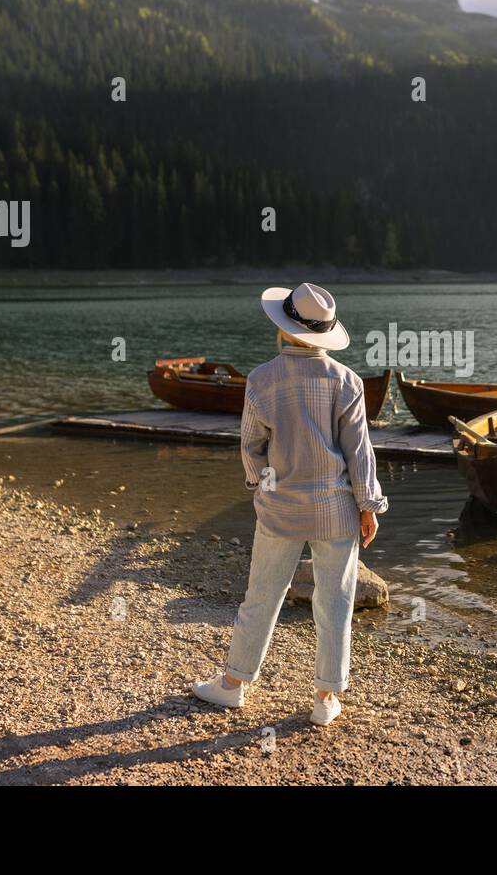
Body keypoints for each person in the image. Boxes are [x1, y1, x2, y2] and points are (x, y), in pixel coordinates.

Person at [192, 283, 387, 726]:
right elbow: (360, 453)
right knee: (335, 601)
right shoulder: (348, 381)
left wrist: (262, 485)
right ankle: (324, 698)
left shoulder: (261, 379)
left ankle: (233, 685)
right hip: (336, 509)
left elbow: (251, 447)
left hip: (280, 508)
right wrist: (367, 505)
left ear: (285, 328)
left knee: (261, 597)